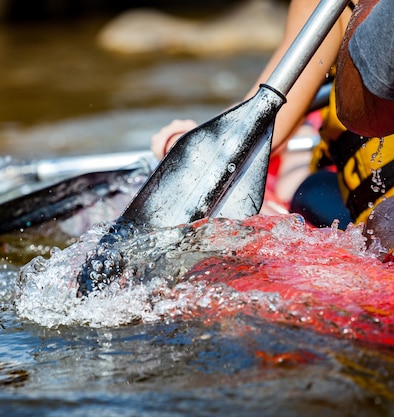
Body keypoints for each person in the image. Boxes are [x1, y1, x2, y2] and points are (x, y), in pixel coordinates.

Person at [150, 0, 394, 258]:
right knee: (314, 183)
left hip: (375, 222)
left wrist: (184, 143)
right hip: (377, 213)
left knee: (310, 188)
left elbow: (254, 130)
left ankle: (298, 152)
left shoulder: (328, 6)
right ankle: (300, 147)